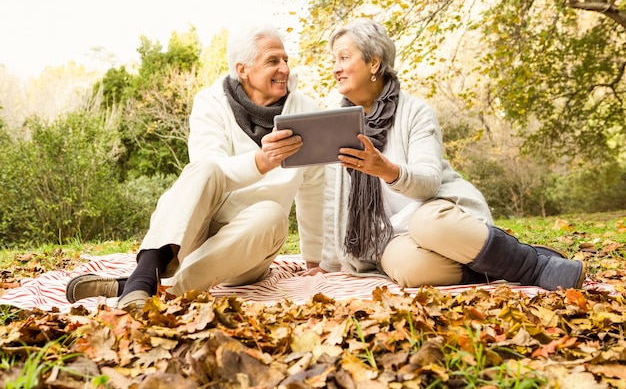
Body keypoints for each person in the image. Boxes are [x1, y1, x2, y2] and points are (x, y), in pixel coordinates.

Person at [304, 18, 586, 291]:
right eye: (333, 61)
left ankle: (533, 265)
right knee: (408, 269)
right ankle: (491, 263)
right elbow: (333, 202)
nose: (335, 69)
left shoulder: (415, 112)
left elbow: (428, 182)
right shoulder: (338, 125)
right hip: (390, 235)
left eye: (343, 58)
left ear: (374, 62)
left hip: (437, 214)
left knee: (426, 223)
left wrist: (385, 169)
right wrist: (328, 265)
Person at [66, 24, 324, 309]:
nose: (285, 69)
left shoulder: (306, 112)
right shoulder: (211, 102)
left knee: (273, 214)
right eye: (273, 61)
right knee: (205, 168)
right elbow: (209, 171)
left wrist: (315, 259)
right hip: (190, 240)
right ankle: (145, 275)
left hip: (249, 249)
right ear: (243, 69)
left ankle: (143, 286)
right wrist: (261, 162)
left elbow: (313, 187)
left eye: (285, 60)